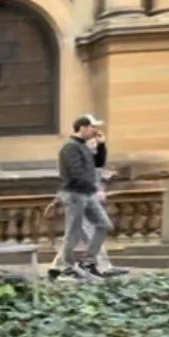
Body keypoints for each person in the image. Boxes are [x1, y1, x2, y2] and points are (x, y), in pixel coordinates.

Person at [55, 116, 118, 279]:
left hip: (87, 193)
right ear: (82, 128)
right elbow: (76, 173)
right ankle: (68, 267)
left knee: (104, 224)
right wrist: (94, 189)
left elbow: (98, 163)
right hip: (75, 194)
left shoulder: (83, 146)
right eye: (92, 127)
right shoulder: (70, 147)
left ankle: (88, 261)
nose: (95, 130)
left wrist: (101, 145)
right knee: (73, 232)